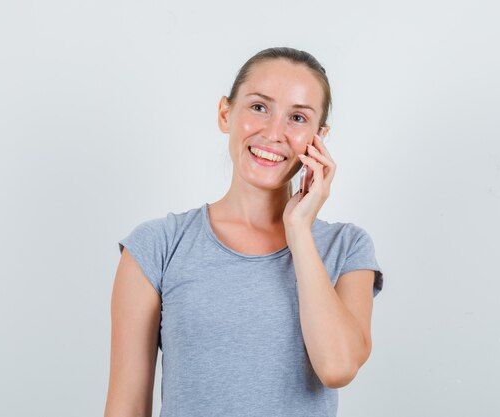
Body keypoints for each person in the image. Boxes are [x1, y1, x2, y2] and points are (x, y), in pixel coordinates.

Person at [104, 47, 385, 417]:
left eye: (298, 117)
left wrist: (298, 230)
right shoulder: (157, 246)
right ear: (226, 113)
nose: (274, 132)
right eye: (258, 107)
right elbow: (126, 406)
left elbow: (337, 368)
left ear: (320, 137)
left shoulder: (346, 248)